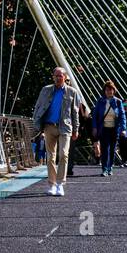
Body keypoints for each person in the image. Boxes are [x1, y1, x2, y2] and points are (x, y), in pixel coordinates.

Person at [32, 66, 84, 196]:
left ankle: (60, 184)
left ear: (65, 77)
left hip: (65, 127)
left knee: (64, 155)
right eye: (56, 75)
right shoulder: (45, 90)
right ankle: (52, 184)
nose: (58, 78)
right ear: (53, 77)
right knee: (50, 157)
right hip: (49, 126)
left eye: (60, 75)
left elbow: (75, 113)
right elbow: (38, 107)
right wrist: (37, 123)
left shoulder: (72, 92)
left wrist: (76, 129)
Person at [91, 81, 127, 177]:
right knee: (104, 149)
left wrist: (123, 129)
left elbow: (122, 116)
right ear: (104, 91)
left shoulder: (118, 102)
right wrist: (94, 127)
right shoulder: (100, 101)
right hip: (103, 129)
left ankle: (110, 167)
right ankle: (104, 169)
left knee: (112, 149)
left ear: (114, 91)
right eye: (107, 90)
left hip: (114, 129)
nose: (109, 92)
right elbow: (95, 115)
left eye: (111, 90)